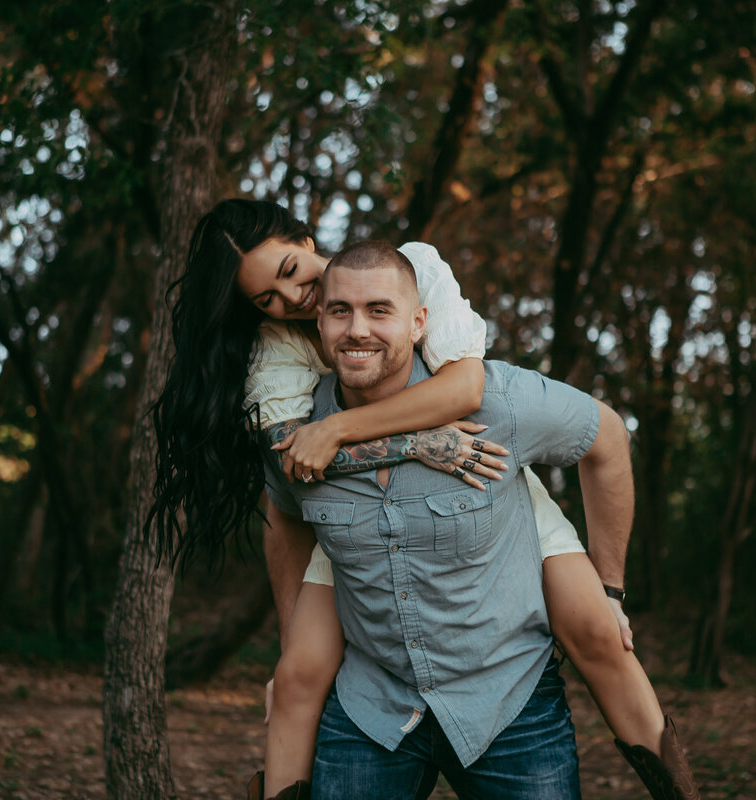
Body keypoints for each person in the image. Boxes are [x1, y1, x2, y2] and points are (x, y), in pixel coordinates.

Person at [146, 199, 699, 800]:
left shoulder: (408, 271)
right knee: (297, 675)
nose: (292, 301)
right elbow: (290, 479)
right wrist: (412, 444)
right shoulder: (276, 347)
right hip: (353, 515)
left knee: (596, 631)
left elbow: (466, 388)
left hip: (480, 487)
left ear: (305, 240)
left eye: (288, 273)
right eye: (266, 300)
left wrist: (611, 586)